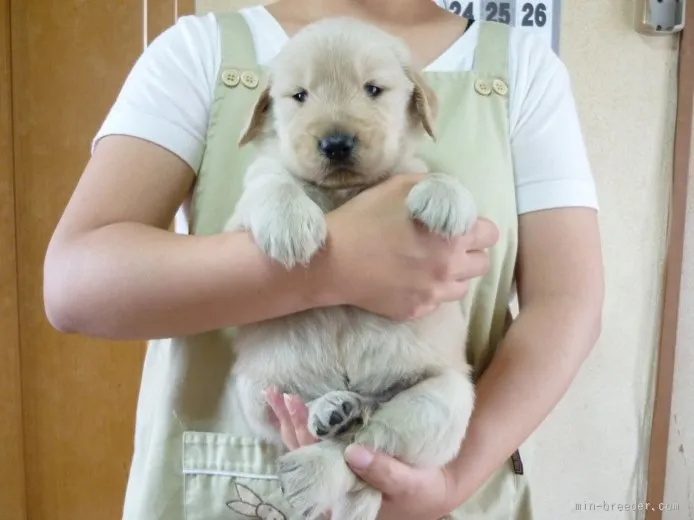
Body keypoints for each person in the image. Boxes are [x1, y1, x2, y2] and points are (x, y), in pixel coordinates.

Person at [43, 0, 604, 518]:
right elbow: (73, 285)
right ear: (268, 108)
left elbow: (567, 301)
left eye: (374, 90)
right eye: (301, 97)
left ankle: (355, 456)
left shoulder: (521, 66)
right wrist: (332, 269)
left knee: (440, 405)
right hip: (234, 479)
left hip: (443, 470)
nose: (338, 129)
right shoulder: (198, 51)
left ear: (415, 100)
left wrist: (451, 480)